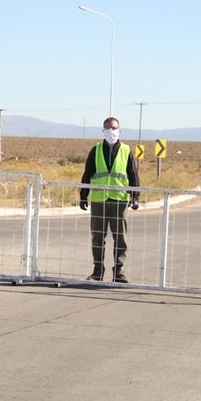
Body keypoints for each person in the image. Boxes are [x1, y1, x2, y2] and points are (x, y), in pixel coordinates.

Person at [79, 117, 140, 283]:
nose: (110, 131)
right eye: (107, 128)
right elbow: (87, 173)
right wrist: (83, 195)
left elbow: (133, 175)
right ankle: (97, 271)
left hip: (119, 200)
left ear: (119, 130)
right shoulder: (96, 149)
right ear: (103, 130)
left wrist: (135, 196)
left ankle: (119, 272)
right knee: (98, 237)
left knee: (120, 238)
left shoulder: (127, 151)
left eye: (113, 128)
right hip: (99, 200)